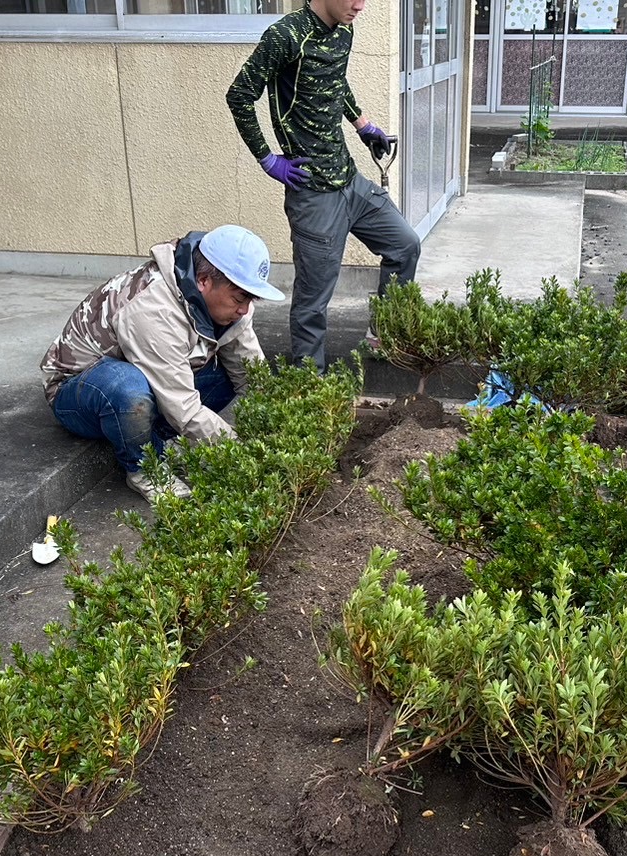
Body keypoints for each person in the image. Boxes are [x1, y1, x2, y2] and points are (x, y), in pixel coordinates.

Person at [226, 0, 420, 368]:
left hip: (350, 182)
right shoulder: (285, 36)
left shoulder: (344, 28)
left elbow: (335, 80)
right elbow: (239, 95)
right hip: (314, 196)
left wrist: (362, 124)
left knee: (405, 245)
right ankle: (309, 388)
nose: (360, 6)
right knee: (313, 304)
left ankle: (383, 337)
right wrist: (267, 158)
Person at [39, 225, 285, 501]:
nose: (245, 309)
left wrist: (281, 434)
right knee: (129, 390)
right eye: (240, 298)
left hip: (148, 371)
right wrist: (244, 456)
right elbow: (183, 407)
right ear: (203, 280)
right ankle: (146, 470)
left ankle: (161, 440)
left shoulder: (229, 306)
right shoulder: (152, 308)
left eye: (251, 298)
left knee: (226, 370)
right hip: (80, 392)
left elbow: (253, 376)